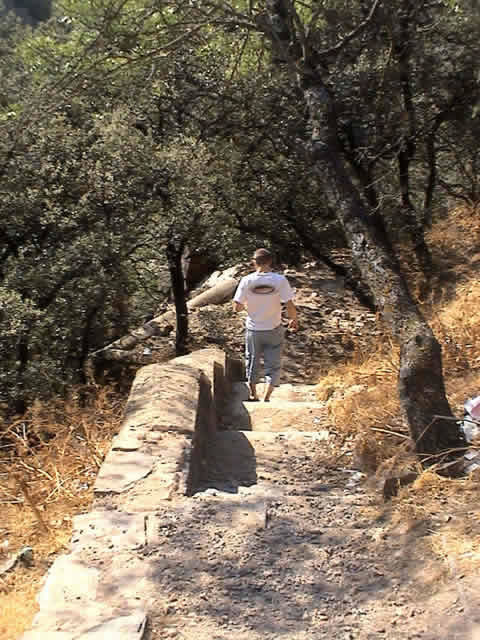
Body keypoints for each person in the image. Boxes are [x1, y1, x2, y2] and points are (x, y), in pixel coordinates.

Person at [232, 248, 298, 402]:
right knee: (273, 363)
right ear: (270, 261)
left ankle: (253, 394)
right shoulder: (280, 280)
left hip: (253, 329)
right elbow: (289, 304)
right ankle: (267, 396)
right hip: (274, 328)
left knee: (252, 360)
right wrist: (294, 319)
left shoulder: (247, 280)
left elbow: (237, 307)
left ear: (254, 262)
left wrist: (248, 306)